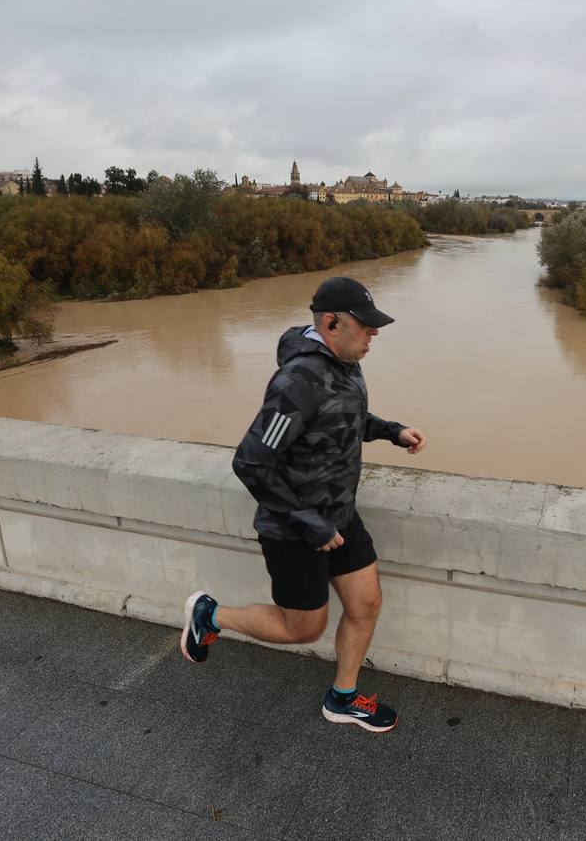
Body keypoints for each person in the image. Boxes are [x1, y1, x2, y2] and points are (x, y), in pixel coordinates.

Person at [180, 276, 426, 733]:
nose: (375, 334)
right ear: (332, 323)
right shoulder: (296, 383)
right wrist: (306, 521)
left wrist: (391, 430)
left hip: (339, 517)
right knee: (303, 629)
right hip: (294, 530)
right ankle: (209, 615)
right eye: (366, 326)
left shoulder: (345, 362)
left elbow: (344, 416)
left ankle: (343, 698)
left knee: (366, 603)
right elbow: (251, 461)